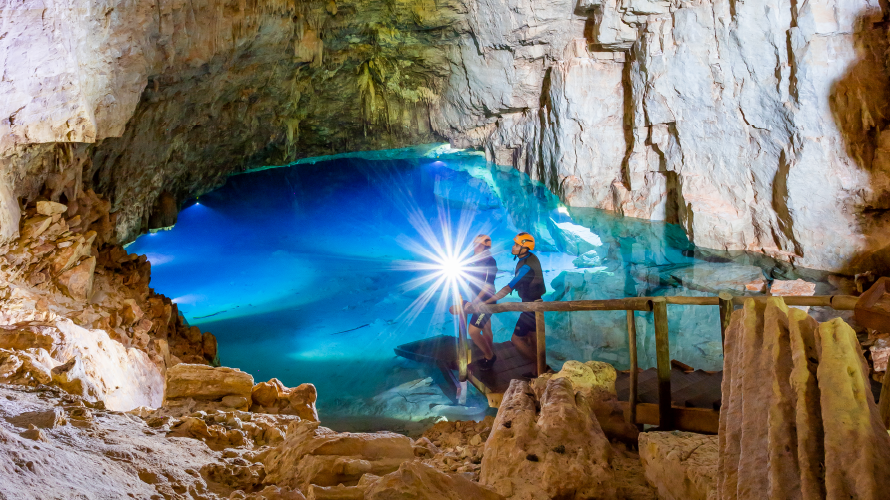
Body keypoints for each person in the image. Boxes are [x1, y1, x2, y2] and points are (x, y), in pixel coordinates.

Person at [479, 232, 545, 363]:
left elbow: (509, 287)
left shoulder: (526, 265)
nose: (513, 247)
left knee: (516, 339)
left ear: (524, 248)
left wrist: (488, 301)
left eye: (516, 244)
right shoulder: (529, 258)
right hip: (534, 304)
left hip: (530, 306)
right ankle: (538, 371)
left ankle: (541, 368)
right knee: (532, 338)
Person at [449, 234, 499, 370]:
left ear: (486, 246)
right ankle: (487, 354)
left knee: (474, 331)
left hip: (486, 301)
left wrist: (476, 301)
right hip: (476, 299)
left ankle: (490, 356)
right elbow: (464, 274)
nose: (475, 246)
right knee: (486, 327)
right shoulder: (473, 259)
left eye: (479, 244)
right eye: (475, 243)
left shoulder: (490, 262)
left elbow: (488, 285)